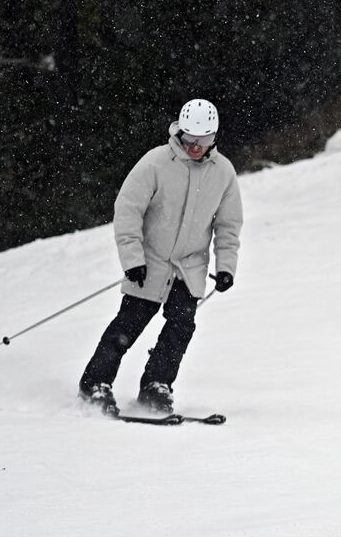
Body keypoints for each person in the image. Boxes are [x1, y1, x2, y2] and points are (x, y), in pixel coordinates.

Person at [78, 99, 243, 416]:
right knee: (129, 325)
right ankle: (95, 383)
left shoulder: (223, 173)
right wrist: (132, 259)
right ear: (180, 132)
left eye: (204, 140)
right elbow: (128, 211)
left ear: (214, 137)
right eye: (191, 139)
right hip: (150, 263)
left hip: (190, 267)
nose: (196, 147)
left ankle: (156, 386)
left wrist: (226, 268)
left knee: (180, 328)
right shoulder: (156, 163)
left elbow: (228, 225)